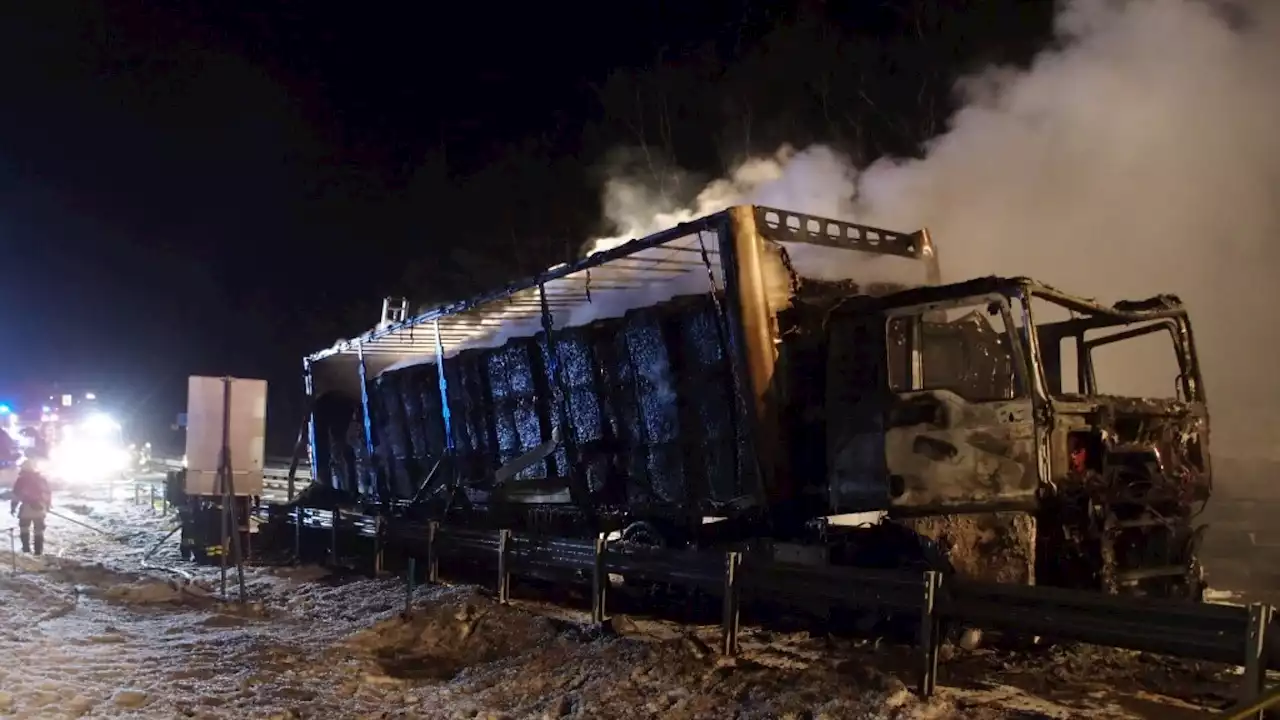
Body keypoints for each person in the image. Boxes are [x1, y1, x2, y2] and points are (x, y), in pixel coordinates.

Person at [10, 454, 52, 555]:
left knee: (24, 529)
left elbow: (16, 495)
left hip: (26, 508)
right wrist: (47, 505)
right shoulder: (41, 479)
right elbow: (48, 492)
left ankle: (26, 550)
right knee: (39, 530)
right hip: (40, 508)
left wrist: (13, 507)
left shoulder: (21, 480)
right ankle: (38, 551)